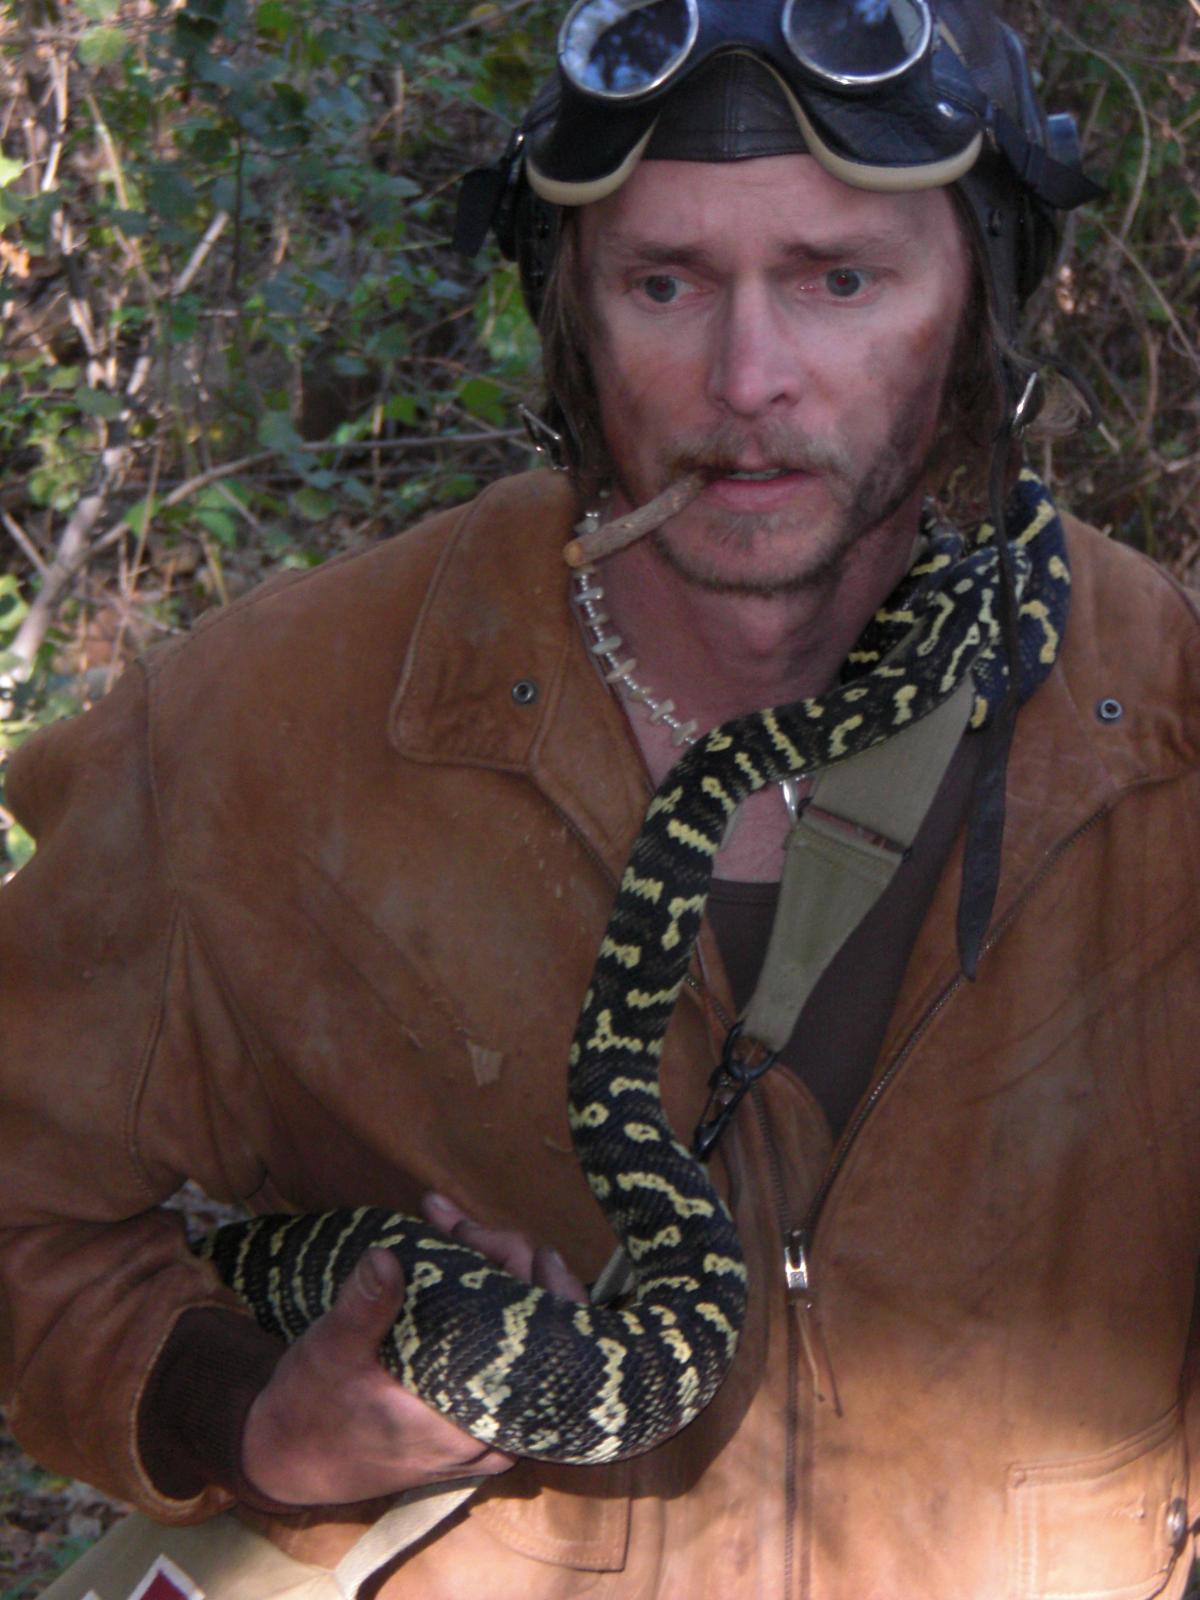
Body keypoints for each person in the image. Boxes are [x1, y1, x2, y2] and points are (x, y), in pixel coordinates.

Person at [2, 1, 1198, 1596]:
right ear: (568, 314)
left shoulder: (1160, 722)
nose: (748, 378)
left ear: (982, 297)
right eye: (665, 285)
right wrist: (249, 1418)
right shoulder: (254, 728)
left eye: (840, 280)